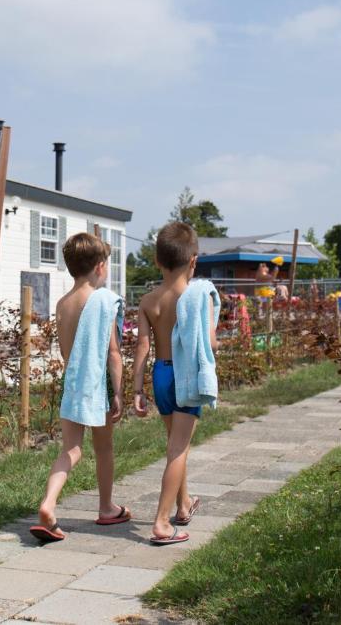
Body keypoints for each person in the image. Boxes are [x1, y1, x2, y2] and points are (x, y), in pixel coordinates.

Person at [30, 232, 129, 543]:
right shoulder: (103, 301)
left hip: (72, 381)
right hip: (97, 382)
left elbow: (65, 351)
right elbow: (113, 352)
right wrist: (118, 391)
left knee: (71, 450)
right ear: (100, 267)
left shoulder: (62, 304)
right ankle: (106, 507)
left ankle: (48, 503)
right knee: (104, 448)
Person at [132, 222, 219, 545]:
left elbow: (142, 347)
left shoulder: (148, 301)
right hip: (185, 375)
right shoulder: (197, 296)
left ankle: (184, 504)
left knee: (174, 443)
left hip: (160, 375)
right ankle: (161, 523)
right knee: (178, 449)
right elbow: (209, 343)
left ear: (157, 261)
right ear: (193, 260)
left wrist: (137, 389)